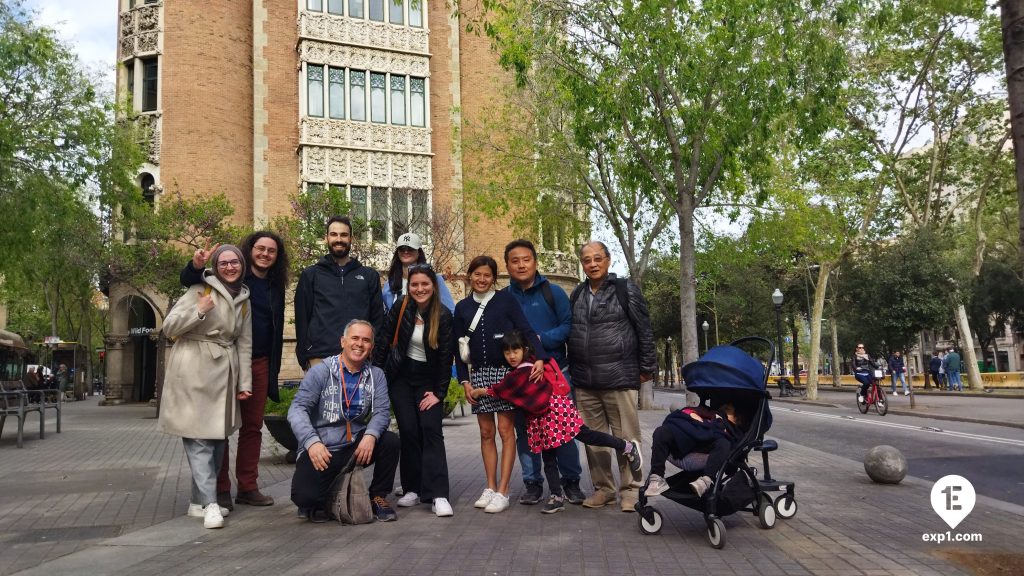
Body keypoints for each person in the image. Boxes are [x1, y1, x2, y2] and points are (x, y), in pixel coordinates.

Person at [470, 331, 642, 514]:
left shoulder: (524, 370)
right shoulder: (529, 366)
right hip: (542, 417)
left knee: (585, 435)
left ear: (524, 350)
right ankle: (556, 496)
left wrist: (480, 391)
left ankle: (627, 446)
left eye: (515, 351)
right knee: (549, 456)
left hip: (554, 411)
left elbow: (502, 389)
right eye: (507, 352)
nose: (511, 356)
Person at [180, 233, 289, 510]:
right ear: (249, 251)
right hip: (226, 361)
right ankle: (220, 489)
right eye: (260, 248)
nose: (265, 254)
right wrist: (195, 266)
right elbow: (191, 281)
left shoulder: (276, 284)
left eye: (271, 251)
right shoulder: (234, 275)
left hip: (260, 361)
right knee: (220, 426)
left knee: (253, 427)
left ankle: (248, 487)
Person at [159, 245, 252, 529]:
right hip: (192, 370)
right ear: (215, 265)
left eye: (234, 262)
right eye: (223, 263)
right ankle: (212, 503)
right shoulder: (199, 290)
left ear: (241, 265)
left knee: (217, 439)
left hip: (223, 372)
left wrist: (244, 382)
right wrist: (199, 312)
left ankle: (197, 502)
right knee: (198, 438)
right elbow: (169, 327)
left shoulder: (244, 298)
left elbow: (245, 343)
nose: (229, 267)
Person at [454, 255, 548, 514]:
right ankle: (491, 487)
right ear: (469, 276)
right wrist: (465, 382)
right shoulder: (462, 308)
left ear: (494, 278)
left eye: (487, 275)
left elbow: (527, 330)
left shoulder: (506, 300)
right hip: (479, 376)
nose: (482, 279)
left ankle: (504, 491)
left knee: (507, 432)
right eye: (477, 274)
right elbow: (458, 348)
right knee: (486, 434)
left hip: (507, 375)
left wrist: (539, 357)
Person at [567, 241, 655, 513]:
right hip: (585, 380)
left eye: (597, 258)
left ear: (608, 260)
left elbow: (644, 329)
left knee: (627, 437)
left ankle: (631, 490)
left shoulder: (625, 289)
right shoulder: (578, 294)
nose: (592, 264)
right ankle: (603, 489)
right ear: (581, 264)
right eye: (587, 260)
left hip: (619, 376)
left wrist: (646, 367)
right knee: (593, 439)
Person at [288, 320, 400, 523]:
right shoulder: (321, 371)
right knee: (305, 498)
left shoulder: (376, 375)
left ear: (371, 347)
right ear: (343, 341)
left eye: (366, 340)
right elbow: (297, 409)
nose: (360, 344)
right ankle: (329, 494)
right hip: (324, 449)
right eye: (355, 338)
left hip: (356, 445)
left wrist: (370, 435)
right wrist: (311, 442)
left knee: (390, 441)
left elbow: (382, 411)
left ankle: (377, 497)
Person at [502, 239, 585, 506]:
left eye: (526, 259)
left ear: (535, 262)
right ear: (507, 266)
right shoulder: (503, 298)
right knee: (525, 433)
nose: (521, 265)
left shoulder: (554, 292)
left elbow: (568, 326)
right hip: (522, 380)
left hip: (555, 373)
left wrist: (541, 339)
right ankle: (532, 483)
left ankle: (571, 482)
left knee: (564, 431)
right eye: (515, 261)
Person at [373, 264, 455, 518]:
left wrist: (439, 393)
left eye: (425, 284)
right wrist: (377, 377)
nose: (419, 289)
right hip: (401, 378)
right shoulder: (401, 308)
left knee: (431, 430)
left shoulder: (442, 315)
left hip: (428, 382)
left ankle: (438, 494)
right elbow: (384, 341)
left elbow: (445, 358)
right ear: (409, 287)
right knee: (408, 431)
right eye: (415, 284)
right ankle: (413, 488)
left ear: (433, 286)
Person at [294, 215, 384, 371]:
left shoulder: (369, 276)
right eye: (334, 234)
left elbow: (377, 319)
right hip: (320, 358)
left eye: (344, 235)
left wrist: (373, 352)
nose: (339, 239)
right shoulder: (311, 275)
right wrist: (304, 356)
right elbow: (302, 318)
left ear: (351, 239)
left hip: (359, 358)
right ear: (326, 238)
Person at [644, 403, 743, 498]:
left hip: (707, 453)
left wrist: (718, 424)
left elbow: (732, 449)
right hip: (682, 446)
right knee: (661, 431)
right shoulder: (708, 413)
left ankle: (706, 481)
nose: (722, 409)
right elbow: (682, 418)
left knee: (724, 443)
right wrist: (694, 416)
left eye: (727, 409)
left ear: (736, 419)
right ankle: (657, 477)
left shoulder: (730, 429)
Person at [382, 232, 455, 313]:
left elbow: (450, 310)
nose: (406, 252)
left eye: (410, 248)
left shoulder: (435, 279)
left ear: (419, 252)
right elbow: (388, 311)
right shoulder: (390, 281)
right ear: (398, 252)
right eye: (402, 248)